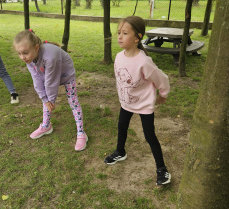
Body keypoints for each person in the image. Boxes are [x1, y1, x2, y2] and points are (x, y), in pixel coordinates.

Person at [104, 16, 171, 185]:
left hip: (144, 105)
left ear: (137, 37)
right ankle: (120, 151)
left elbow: (161, 78)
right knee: (121, 126)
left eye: (124, 33)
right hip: (126, 102)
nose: (119, 36)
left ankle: (162, 169)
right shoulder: (119, 57)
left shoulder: (144, 62)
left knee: (150, 136)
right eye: (118, 32)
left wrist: (163, 94)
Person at [13, 29, 88, 151]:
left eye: (25, 53)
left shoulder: (50, 57)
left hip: (66, 75)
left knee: (73, 101)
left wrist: (51, 100)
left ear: (36, 48)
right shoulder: (29, 58)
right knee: (46, 99)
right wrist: (45, 99)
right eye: (19, 53)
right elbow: (37, 80)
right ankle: (46, 126)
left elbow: (51, 82)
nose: (22, 57)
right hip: (47, 74)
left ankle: (81, 133)